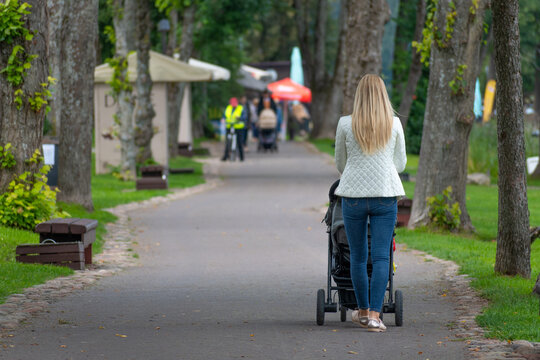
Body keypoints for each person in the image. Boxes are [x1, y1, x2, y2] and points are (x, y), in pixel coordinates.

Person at [334, 74, 406, 332]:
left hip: (353, 196)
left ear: (359, 96)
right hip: (385, 195)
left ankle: (362, 311)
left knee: (357, 256)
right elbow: (400, 164)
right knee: (380, 256)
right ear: (383, 95)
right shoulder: (394, 124)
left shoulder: (345, 124)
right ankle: (376, 315)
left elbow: (340, 163)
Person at [221, 97, 247, 161]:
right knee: (228, 142)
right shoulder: (228, 108)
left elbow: (244, 117)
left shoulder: (240, 108)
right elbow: (224, 116)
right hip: (229, 127)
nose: (234, 106)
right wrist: (223, 119)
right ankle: (225, 156)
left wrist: (239, 118)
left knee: (239, 142)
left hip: (238, 128)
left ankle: (241, 157)